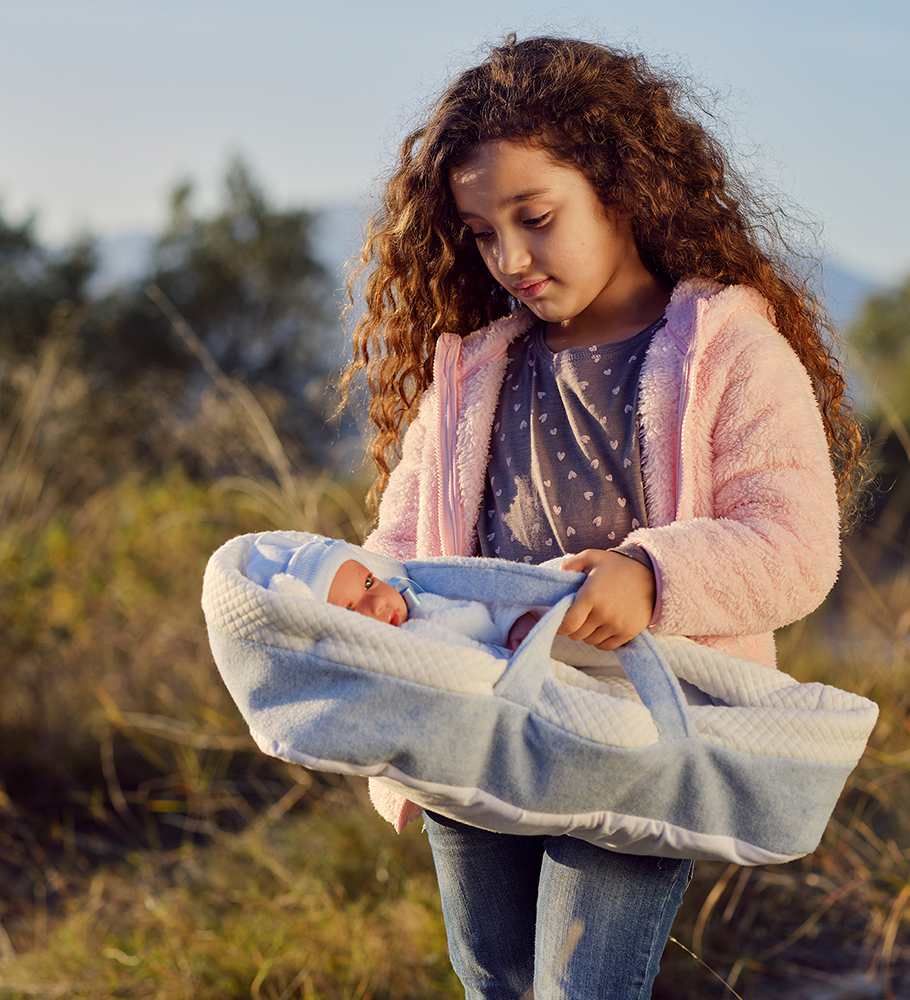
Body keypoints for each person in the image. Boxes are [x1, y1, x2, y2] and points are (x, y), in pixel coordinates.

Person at [341, 34, 865, 999]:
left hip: (631, 740)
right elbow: (408, 543)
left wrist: (652, 574)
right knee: (493, 975)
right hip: (477, 726)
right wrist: (376, 600)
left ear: (620, 187)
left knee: (583, 986)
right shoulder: (471, 373)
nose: (510, 258)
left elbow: (795, 543)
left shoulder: (726, 350)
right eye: (483, 232)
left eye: (535, 217)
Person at [244, 531, 544, 652]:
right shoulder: (380, 657)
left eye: (368, 583)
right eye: (350, 609)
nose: (376, 603)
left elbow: (489, 599)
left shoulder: (426, 597)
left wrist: (517, 624)